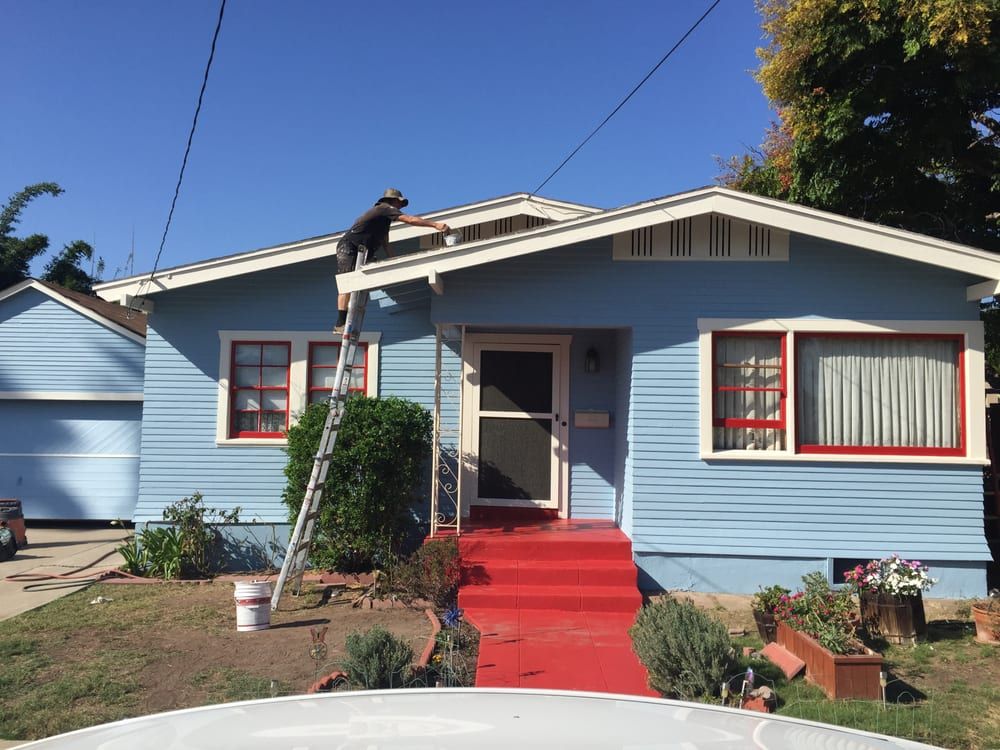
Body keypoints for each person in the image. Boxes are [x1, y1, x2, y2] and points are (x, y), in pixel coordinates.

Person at [334, 188, 450, 331]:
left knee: (359, 285)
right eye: (400, 203)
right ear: (393, 201)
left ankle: (350, 317)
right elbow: (410, 220)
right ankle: (340, 323)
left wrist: (393, 260)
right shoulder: (384, 209)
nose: (401, 206)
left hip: (364, 251)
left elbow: (385, 242)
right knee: (347, 283)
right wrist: (435, 225)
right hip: (349, 247)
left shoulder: (384, 221)